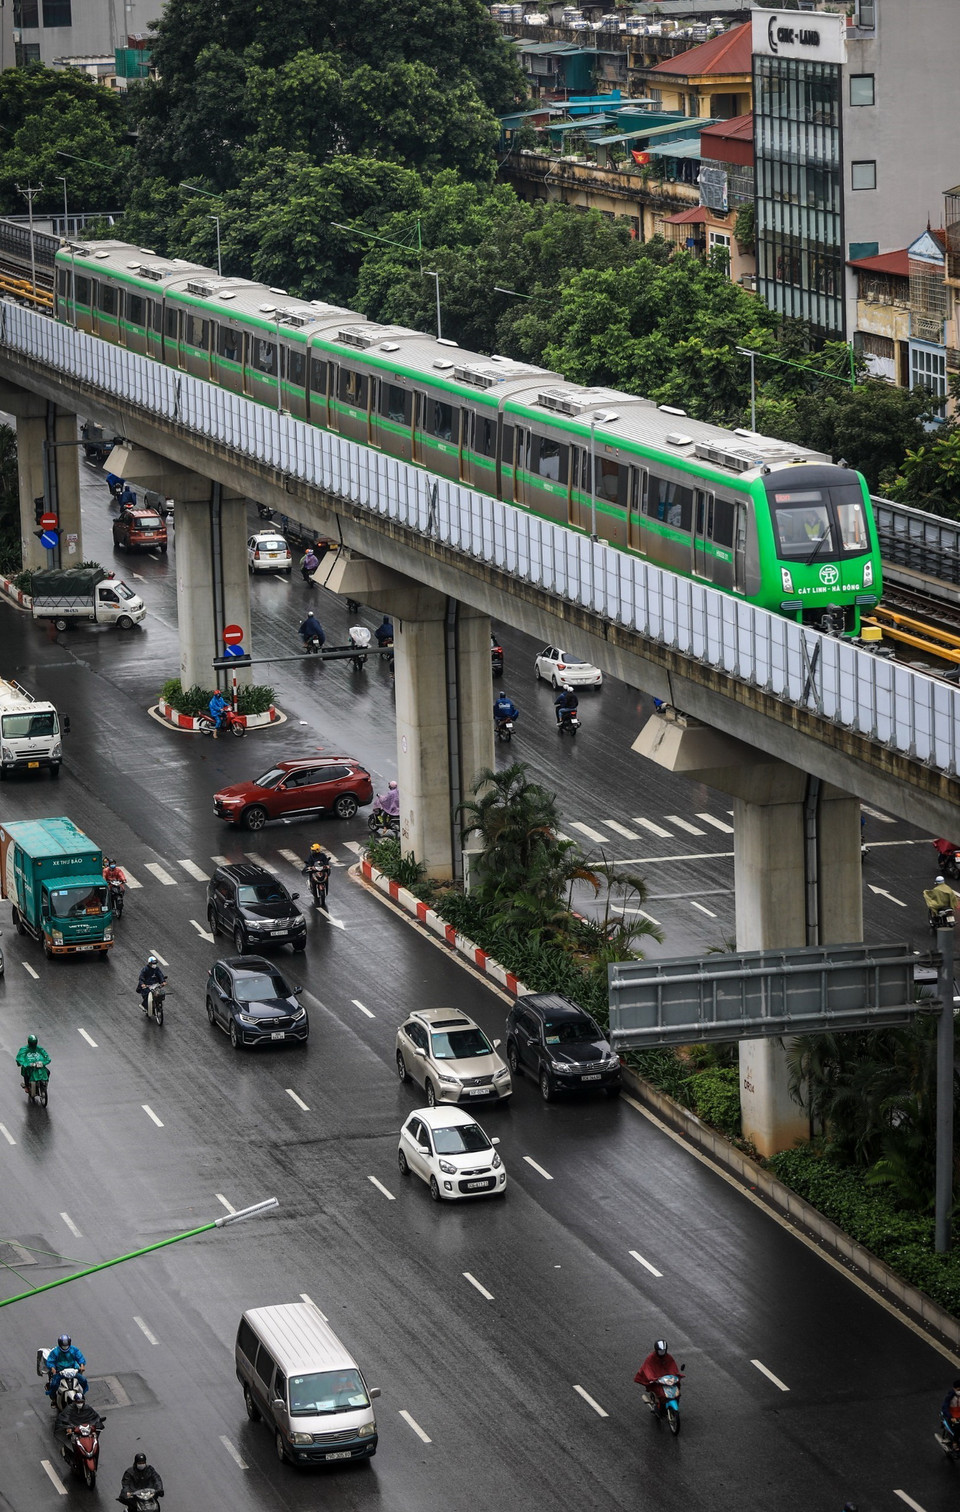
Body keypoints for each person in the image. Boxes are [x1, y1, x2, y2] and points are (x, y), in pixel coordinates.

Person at [634, 1339, 681, 1409]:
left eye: (663, 1351)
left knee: (677, 1391)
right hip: (657, 1380)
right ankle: (658, 1406)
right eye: (660, 1351)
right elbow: (647, 1369)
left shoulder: (668, 1357)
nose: (662, 1353)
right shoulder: (651, 1358)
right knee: (661, 1394)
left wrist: (675, 1375)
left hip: (667, 1380)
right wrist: (652, 1378)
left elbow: (672, 1367)